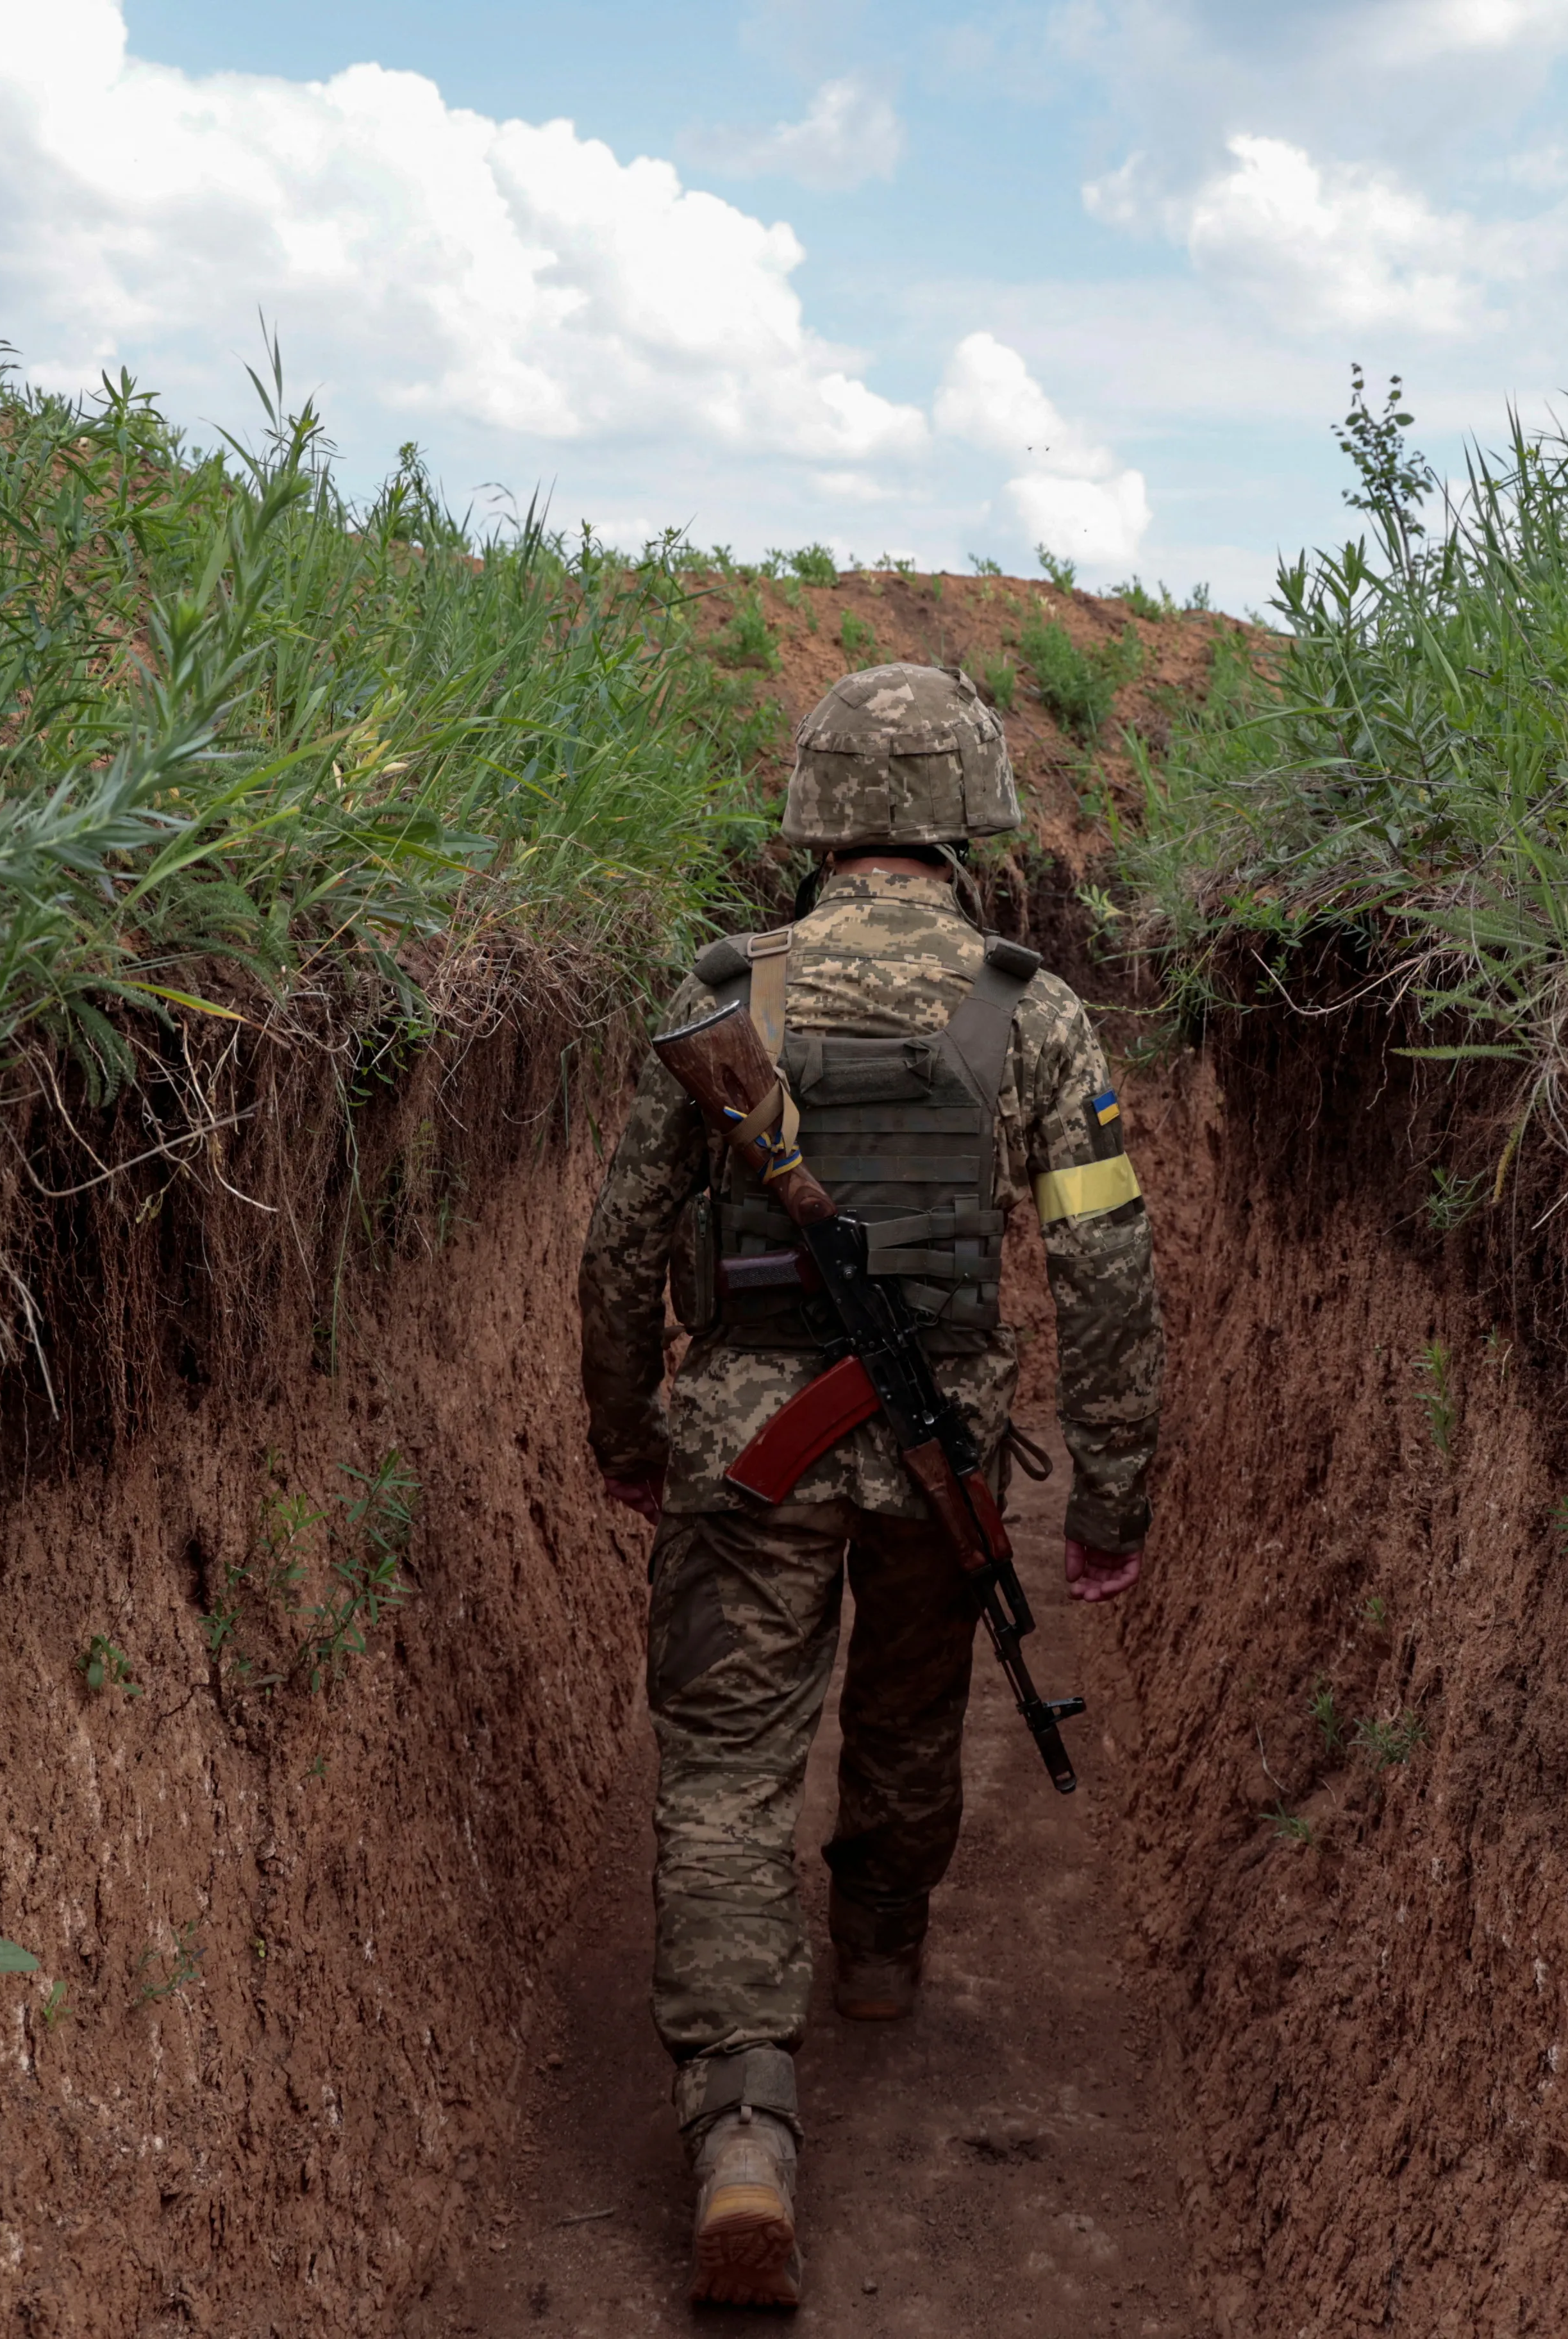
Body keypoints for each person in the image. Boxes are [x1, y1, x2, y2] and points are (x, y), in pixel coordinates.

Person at [576, 661, 1165, 2307]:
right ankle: (883, 1947)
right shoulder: (1030, 1009)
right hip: (937, 1456)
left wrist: (629, 1433)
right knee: (910, 1714)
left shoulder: (726, 994)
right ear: (973, 811)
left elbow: (621, 1250)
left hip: (742, 1461)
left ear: (817, 813)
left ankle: (743, 2135)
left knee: (726, 1771)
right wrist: (1113, 1491)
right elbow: (1104, 1264)